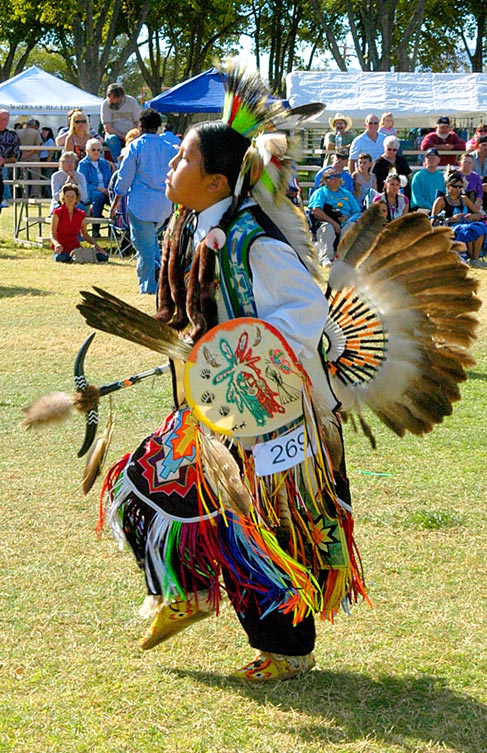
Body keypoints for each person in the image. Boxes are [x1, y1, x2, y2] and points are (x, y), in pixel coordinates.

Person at [100, 68, 364, 683]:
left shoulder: (250, 239)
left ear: (216, 180)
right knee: (147, 483)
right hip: (217, 402)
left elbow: (306, 312)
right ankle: (185, 591)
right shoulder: (188, 226)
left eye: (183, 157)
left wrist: (242, 360)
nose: (170, 166)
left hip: (272, 413)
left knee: (261, 527)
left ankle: (283, 650)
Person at [110, 108, 177, 294]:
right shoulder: (169, 148)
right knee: (150, 243)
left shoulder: (135, 147)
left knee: (143, 248)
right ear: (158, 126)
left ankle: (149, 286)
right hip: (163, 204)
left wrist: (116, 201)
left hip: (141, 204)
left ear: (139, 126)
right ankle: (160, 274)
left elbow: (124, 177)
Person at [431, 169, 487, 268]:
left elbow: (479, 214)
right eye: (455, 186)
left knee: (479, 227)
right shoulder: (441, 201)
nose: (458, 189)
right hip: (449, 227)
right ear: (448, 186)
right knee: (467, 230)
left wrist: (472, 216)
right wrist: (451, 219)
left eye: (460, 187)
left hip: (466, 225)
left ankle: (475, 259)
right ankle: (469, 258)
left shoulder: (464, 199)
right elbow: (433, 221)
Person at [308, 169, 361, 266]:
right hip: (326, 220)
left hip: (345, 221)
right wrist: (334, 223)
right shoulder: (321, 193)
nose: (336, 179)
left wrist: (348, 217)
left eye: (337, 176)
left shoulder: (346, 193)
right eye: (332, 177)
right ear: (325, 180)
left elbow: (357, 211)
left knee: (351, 226)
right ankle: (326, 258)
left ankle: (343, 258)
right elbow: (316, 211)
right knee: (327, 228)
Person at [50, 183, 107, 263]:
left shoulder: (80, 214)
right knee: (62, 258)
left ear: (77, 199)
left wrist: (97, 247)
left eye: (72, 196)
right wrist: (57, 245)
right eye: (67, 196)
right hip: (61, 249)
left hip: (75, 249)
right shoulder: (57, 213)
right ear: (63, 198)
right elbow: (52, 234)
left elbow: (85, 234)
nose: (70, 199)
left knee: (103, 257)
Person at [77, 138, 113, 233]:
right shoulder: (83, 164)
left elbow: (110, 179)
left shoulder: (104, 163)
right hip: (91, 191)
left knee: (118, 198)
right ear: (87, 151)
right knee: (98, 196)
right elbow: (83, 183)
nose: (96, 152)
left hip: (106, 190)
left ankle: (113, 227)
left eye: (99, 150)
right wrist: (99, 189)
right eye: (93, 150)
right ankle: (95, 228)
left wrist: (109, 189)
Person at [101, 83, 141, 163]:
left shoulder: (132, 102)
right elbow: (107, 127)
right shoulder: (105, 105)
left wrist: (133, 134)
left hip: (131, 134)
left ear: (121, 97)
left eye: (114, 98)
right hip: (115, 135)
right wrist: (123, 136)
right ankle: (119, 163)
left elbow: (137, 122)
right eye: (109, 98)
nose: (111, 101)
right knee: (112, 139)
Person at [410, 148, 446, 213]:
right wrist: (432, 207)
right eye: (429, 157)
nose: (431, 159)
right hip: (422, 209)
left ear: (439, 160)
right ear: (425, 160)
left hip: (439, 209)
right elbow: (417, 199)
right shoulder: (418, 176)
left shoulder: (442, 176)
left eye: (433, 157)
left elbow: (445, 194)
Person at [470, 135, 487, 212]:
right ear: (478, 145)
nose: (486, 148)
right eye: (483, 145)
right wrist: (480, 187)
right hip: (473, 187)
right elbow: (468, 177)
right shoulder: (470, 158)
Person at [0, 109, 20, 210]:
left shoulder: (12, 135)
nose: (3, 122)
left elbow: (15, 156)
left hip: (3, 169)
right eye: (1, 119)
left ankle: (5, 197)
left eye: (5, 119)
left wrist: (4, 160)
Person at [39, 127, 56, 198]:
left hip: (48, 160)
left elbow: (51, 152)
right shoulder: (43, 141)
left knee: (47, 177)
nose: (43, 133)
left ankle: (50, 194)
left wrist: (48, 162)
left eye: (44, 131)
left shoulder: (50, 141)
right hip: (42, 160)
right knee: (43, 178)